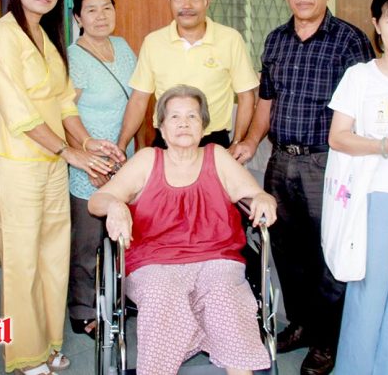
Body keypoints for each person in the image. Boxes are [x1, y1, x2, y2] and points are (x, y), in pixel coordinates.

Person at [0, 0, 124, 375]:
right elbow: (19, 111)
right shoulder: (3, 36)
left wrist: (87, 142)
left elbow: (63, 102)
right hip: (16, 160)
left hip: (51, 162)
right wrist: (68, 151)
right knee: (22, 260)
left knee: (54, 255)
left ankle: (48, 344)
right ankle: (25, 355)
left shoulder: (45, 34)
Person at [236, 0, 375, 375]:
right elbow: (266, 101)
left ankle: (327, 340)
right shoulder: (276, 39)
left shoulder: (349, 40)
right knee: (285, 250)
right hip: (281, 162)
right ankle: (300, 324)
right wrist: (250, 142)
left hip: (327, 164)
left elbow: (364, 108)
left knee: (327, 253)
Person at [89, 85, 277, 375]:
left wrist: (262, 197)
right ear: (162, 128)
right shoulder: (147, 159)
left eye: (192, 116)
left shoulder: (217, 156)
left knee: (225, 297)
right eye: (174, 117)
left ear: (203, 126)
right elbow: (98, 201)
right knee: (163, 296)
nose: (184, 123)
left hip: (216, 258)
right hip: (154, 262)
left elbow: (253, 194)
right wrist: (115, 205)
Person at [330, 0, 388, 375]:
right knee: (368, 290)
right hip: (371, 196)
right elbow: (338, 137)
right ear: (377, 24)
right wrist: (384, 146)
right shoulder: (360, 76)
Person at [117, 0, 258, 152]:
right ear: (170, 0)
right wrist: (122, 144)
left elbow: (246, 96)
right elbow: (139, 100)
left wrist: (237, 142)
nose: (187, 5)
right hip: (166, 143)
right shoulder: (153, 42)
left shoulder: (230, 39)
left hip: (213, 143)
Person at [67, 0, 136, 338]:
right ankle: (83, 309)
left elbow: (137, 100)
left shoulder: (123, 47)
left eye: (106, 7)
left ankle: (119, 298)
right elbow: (64, 114)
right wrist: (87, 158)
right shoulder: (73, 57)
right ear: (78, 18)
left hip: (125, 158)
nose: (100, 16)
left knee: (122, 233)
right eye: (91, 10)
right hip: (90, 164)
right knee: (88, 240)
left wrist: (128, 150)